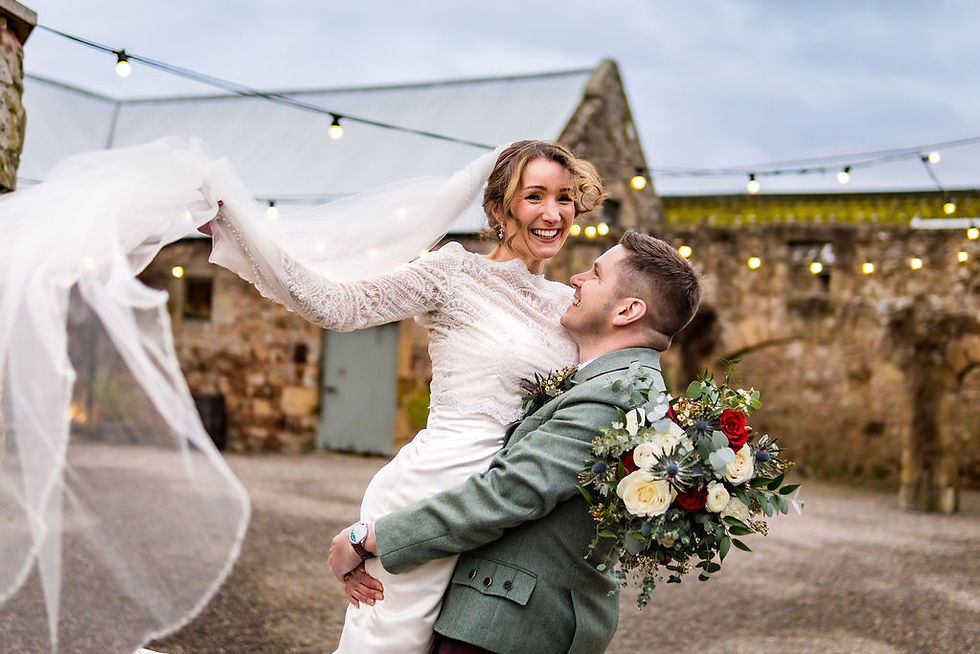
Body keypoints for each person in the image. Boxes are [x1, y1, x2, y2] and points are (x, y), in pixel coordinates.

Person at [204, 139, 606, 654]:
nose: (553, 214)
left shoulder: (568, 304)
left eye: (565, 197)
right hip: (434, 490)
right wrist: (237, 225)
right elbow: (337, 305)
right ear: (498, 207)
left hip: (504, 509)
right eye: (535, 196)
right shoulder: (453, 272)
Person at [328, 231, 702, 654]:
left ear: (629, 310)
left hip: (506, 626)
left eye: (596, 274)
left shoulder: (615, 394)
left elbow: (508, 493)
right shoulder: (615, 380)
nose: (576, 279)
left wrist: (368, 539)